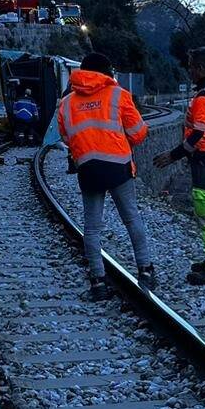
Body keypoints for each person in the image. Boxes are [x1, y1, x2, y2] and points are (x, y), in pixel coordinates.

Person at [56, 51, 155, 299]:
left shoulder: (66, 103)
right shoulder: (118, 94)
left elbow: (66, 137)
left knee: (91, 227)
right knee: (131, 218)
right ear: (106, 72)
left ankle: (98, 282)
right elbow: (138, 132)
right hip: (118, 167)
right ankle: (146, 270)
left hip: (88, 169)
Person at [153, 47, 205, 286]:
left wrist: (173, 155)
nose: (188, 70)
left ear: (200, 69)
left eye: (191, 66)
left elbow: (200, 135)